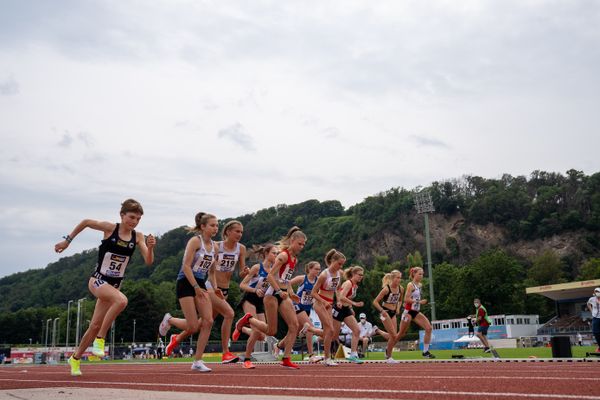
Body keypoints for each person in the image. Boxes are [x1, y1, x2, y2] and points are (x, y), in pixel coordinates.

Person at [55, 199, 156, 376]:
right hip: (98, 280)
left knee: (93, 325)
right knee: (122, 300)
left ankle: (76, 358)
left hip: (114, 285)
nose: (134, 221)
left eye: (138, 219)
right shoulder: (110, 229)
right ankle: (101, 339)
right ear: (122, 215)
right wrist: (67, 241)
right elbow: (86, 222)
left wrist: (151, 248)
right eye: (131, 217)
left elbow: (148, 262)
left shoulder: (138, 237)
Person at [233, 226, 305, 369]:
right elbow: (271, 276)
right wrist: (279, 291)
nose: (301, 247)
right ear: (292, 241)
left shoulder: (294, 259)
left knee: (294, 326)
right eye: (299, 243)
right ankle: (248, 320)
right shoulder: (283, 256)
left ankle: (286, 358)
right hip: (272, 295)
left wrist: (290, 292)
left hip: (283, 295)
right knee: (271, 331)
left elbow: (285, 279)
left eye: (304, 244)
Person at [160, 212, 218, 372]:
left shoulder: (215, 247)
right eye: (212, 225)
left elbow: (212, 272)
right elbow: (186, 266)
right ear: (203, 226)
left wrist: (216, 287)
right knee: (192, 327)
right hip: (186, 281)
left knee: (208, 321)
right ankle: (170, 320)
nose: (215, 228)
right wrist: (195, 287)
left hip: (200, 282)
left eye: (217, 225)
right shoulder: (194, 241)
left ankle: (197, 361)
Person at [236, 243, 277, 369]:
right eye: (274, 253)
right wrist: (255, 290)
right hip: (250, 299)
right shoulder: (257, 268)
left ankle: (241, 327)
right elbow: (242, 285)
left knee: (262, 335)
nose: (276, 255)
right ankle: (247, 360)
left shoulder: (274, 271)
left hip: (261, 302)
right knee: (256, 331)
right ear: (266, 254)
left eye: (277, 253)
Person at [311, 249, 345, 366]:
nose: (340, 266)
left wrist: (339, 300)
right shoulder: (324, 275)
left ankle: (327, 358)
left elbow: (337, 289)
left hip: (329, 304)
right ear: (332, 261)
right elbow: (313, 292)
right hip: (320, 303)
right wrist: (324, 301)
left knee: (329, 332)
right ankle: (327, 359)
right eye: (339, 264)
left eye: (342, 264)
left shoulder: (339, 274)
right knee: (330, 330)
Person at [289, 261, 324, 363]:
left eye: (319, 269)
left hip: (308, 309)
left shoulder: (318, 281)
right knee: (310, 327)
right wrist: (291, 293)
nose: (318, 271)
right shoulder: (302, 278)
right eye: (316, 269)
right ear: (309, 269)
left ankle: (278, 346)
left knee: (293, 332)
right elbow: (287, 283)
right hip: (297, 306)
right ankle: (311, 355)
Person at [396, 267, 436, 359]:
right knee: (401, 334)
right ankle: (389, 348)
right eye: (419, 274)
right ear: (414, 274)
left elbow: (414, 298)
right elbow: (406, 299)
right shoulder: (410, 285)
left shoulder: (420, 285)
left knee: (429, 328)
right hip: (408, 312)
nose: (421, 276)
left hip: (416, 312)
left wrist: (419, 302)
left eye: (422, 274)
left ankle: (425, 352)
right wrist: (419, 302)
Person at [332, 265, 365, 364]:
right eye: (359, 275)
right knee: (334, 336)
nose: (361, 277)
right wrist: (354, 304)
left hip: (346, 309)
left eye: (362, 275)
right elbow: (342, 297)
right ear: (353, 274)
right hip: (339, 309)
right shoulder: (348, 283)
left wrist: (350, 308)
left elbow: (347, 298)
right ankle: (314, 333)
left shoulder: (355, 286)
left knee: (357, 330)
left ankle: (353, 355)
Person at [372, 270, 403, 363]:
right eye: (397, 277)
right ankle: (389, 357)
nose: (399, 280)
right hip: (385, 313)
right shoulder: (386, 289)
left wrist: (398, 308)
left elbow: (400, 300)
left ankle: (378, 331)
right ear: (393, 278)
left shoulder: (401, 288)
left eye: (400, 278)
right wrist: (382, 311)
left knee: (395, 336)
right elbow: (375, 302)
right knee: (393, 335)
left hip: (393, 312)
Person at [587, 287, 600, 352]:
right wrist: (592, 311)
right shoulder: (592, 299)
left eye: (598, 291)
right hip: (595, 318)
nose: (597, 293)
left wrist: (598, 302)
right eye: (596, 291)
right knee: (595, 332)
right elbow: (588, 304)